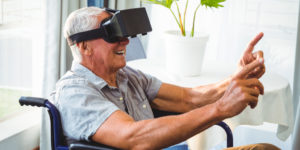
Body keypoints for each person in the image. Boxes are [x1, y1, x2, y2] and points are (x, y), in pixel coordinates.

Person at [50, 7, 280, 150]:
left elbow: (189, 98)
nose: (126, 42)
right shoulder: (74, 92)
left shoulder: (128, 76)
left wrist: (237, 77)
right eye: (114, 36)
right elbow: (134, 138)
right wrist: (221, 108)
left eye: (125, 35)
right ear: (84, 46)